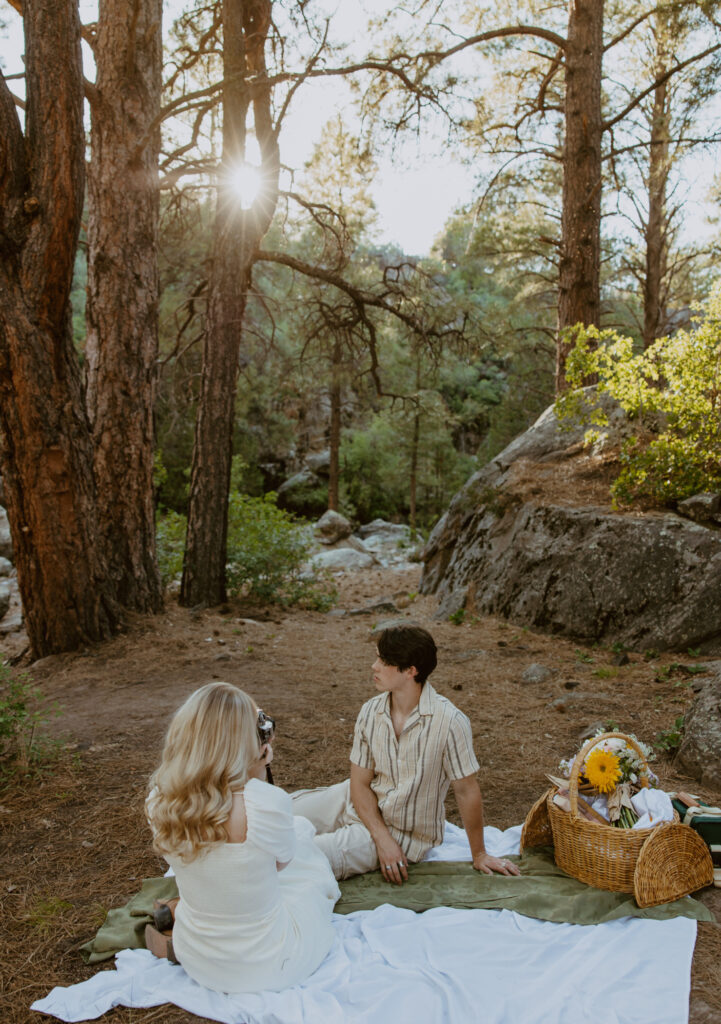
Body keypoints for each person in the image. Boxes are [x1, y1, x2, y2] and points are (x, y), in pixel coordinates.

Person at [144, 682, 340, 994]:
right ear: (244, 741)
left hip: (197, 959)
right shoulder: (264, 803)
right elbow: (280, 865)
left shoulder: (160, 798)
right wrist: (258, 775)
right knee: (310, 872)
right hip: (271, 964)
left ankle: (179, 912)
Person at [292, 623, 521, 884]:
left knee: (295, 857)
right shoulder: (370, 711)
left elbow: (466, 790)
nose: (374, 666)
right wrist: (382, 837)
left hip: (403, 833)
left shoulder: (450, 722)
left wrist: (479, 854)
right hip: (355, 801)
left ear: (410, 671)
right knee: (272, 813)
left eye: (384, 660)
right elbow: (359, 782)